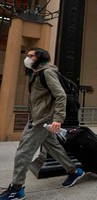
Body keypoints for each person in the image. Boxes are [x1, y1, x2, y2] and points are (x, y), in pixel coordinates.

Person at [0, 47, 84, 200]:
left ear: (40, 57)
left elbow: (60, 95)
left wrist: (58, 119)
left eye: (31, 55)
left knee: (23, 152)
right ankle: (74, 171)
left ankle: (17, 188)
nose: (27, 57)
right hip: (39, 117)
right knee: (54, 148)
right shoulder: (37, 73)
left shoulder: (47, 72)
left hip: (42, 120)